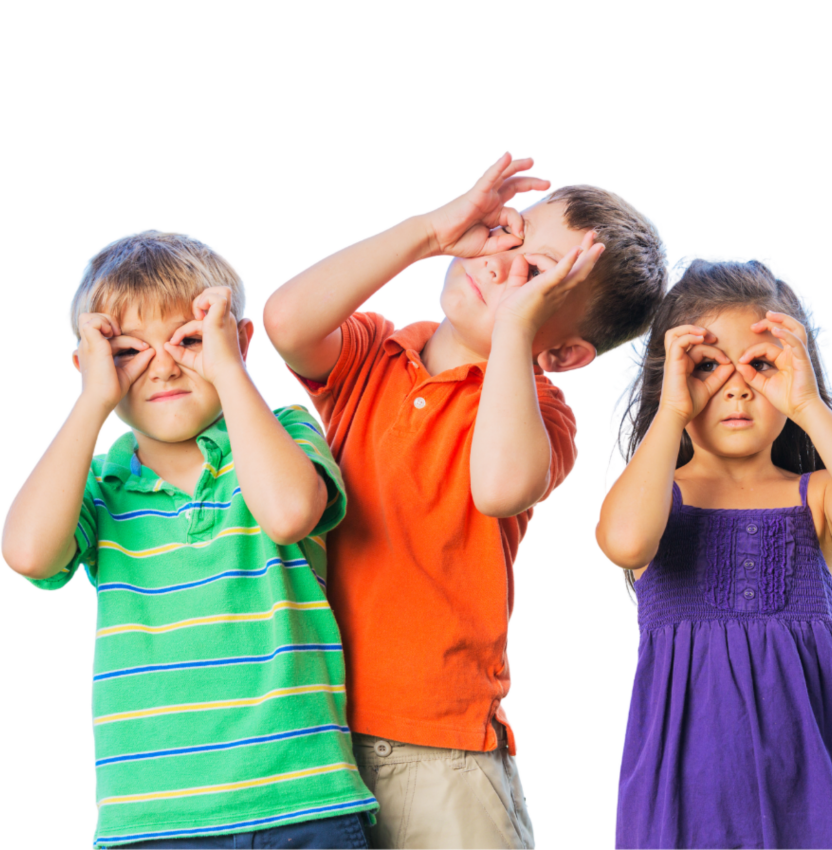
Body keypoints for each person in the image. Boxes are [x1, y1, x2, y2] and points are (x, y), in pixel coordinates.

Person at [260, 150, 669, 849]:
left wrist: (513, 332)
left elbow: (502, 484)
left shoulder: (540, 412)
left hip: (439, 744)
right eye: (512, 236)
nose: (501, 263)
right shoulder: (372, 353)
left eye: (538, 275)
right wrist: (432, 231)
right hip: (307, 733)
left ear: (564, 356)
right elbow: (285, 320)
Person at [0, 229, 378, 849]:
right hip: (154, 820)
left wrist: (228, 370)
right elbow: (27, 553)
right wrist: (93, 398)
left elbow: (287, 514)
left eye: (191, 339)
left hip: (302, 799)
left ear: (239, 339)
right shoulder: (97, 483)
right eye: (127, 351)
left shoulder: (282, 431)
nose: (166, 365)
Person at [594, 252, 832, 849]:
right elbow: (624, 542)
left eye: (761, 365)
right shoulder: (656, 494)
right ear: (672, 375)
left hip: (815, 773)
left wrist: (808, 404)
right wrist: (672, 409)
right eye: (707, 366)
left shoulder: (816, 494)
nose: (737, 388)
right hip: (690, 779)